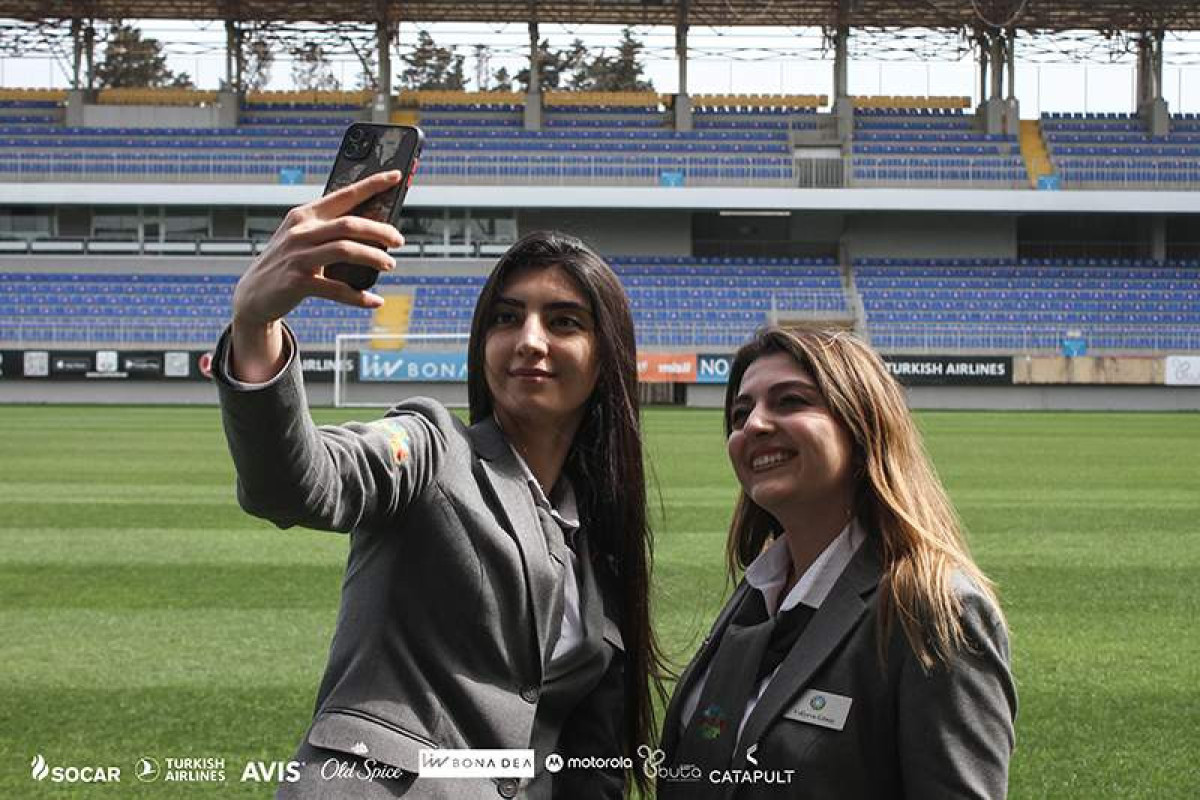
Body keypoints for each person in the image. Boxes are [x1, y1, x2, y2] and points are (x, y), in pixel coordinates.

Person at [212, 171, 663, 798]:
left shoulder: (598, 534)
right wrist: (255, 322)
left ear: (605, 354)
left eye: (563, 322)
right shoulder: (431, 445)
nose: (529, 340)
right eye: (508, 317)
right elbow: (295, 483)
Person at [658, 326, 1016, 799]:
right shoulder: (760, 589)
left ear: (862, 423)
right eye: (740, 413)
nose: (754, 425)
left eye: (790, 402)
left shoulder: (934, 609)